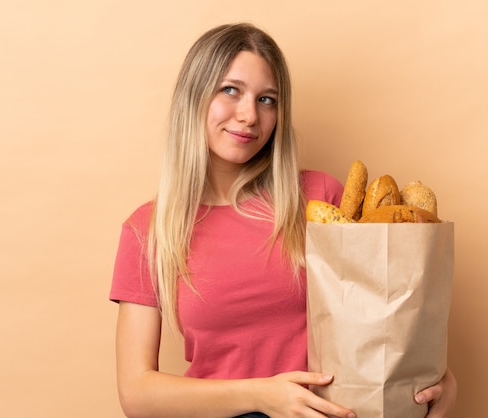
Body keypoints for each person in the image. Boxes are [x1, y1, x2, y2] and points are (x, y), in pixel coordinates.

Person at [110, 22, 457, 418]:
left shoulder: (319, 199)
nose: (249, 115)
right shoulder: (149, 230)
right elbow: (136, 392)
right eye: (230, 91)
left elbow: (384, 315)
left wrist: (437, 379)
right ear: (195, 96)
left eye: (267, 100)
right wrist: (263, 396)